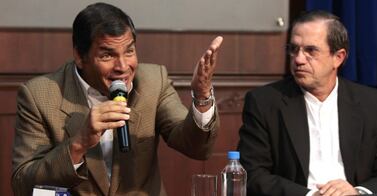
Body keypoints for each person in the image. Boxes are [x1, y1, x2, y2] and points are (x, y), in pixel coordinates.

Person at [12, 2, 223, 196]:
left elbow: (196, 147)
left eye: (129, 51)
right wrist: (79, 143)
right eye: (107, 55)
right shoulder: (39, 95)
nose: (123, 67)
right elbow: (23, 184)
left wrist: (202, 95)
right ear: (79, 56)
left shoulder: (152, 81)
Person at [237, 10, 377, 196]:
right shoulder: (264, 102)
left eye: (311, 50)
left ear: (338, 58)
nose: (299, 59)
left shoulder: (373, 103)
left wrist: (357, 193)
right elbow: (252, 174)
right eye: (294, 49)